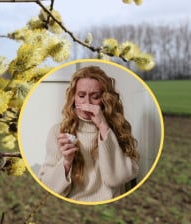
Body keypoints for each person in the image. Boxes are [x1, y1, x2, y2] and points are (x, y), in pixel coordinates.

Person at [38, 65, 139, 202]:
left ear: (104, 99)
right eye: (81, 95)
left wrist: (103, 126)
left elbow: (117, 179)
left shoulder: (119, 129)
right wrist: (66, 162)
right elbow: (48, 185)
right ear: (73, 97)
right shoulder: (58, 131)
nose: (87, 102)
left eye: (95, 97)